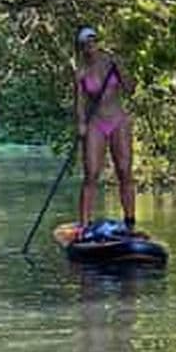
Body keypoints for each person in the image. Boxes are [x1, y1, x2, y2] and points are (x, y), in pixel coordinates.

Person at [74, 25, 136, 232]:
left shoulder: (111, 63)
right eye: (85, 43)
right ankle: (84, 224)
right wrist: (81, 124)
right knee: (91, 173)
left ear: (97, 42)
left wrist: (120, 67)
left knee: (124, 171)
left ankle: (130, 222)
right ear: (81, 48)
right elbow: (80, 102)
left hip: (119, 120)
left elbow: (130, 88)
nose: (90, 46)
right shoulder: (81, 71)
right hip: (96, 123)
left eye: (93, 41)